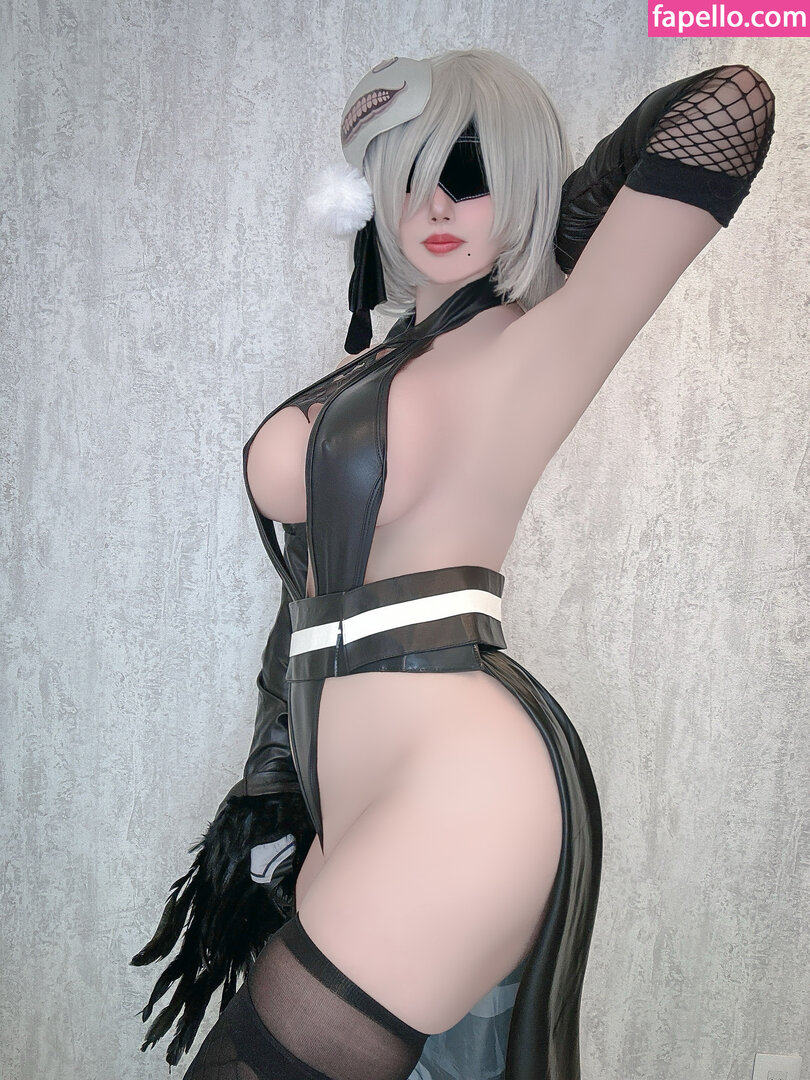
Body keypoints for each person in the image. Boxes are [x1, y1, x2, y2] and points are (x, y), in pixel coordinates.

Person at [131, 48, 775, 1080]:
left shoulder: (541, 341)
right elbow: (310, 593)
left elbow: (731, 103)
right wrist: (278, 780)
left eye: (471, 171)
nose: (436, 202)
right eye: (411, 173)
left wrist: (554, 229)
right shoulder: (384, 358)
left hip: (456, 790)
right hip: (357, 793)